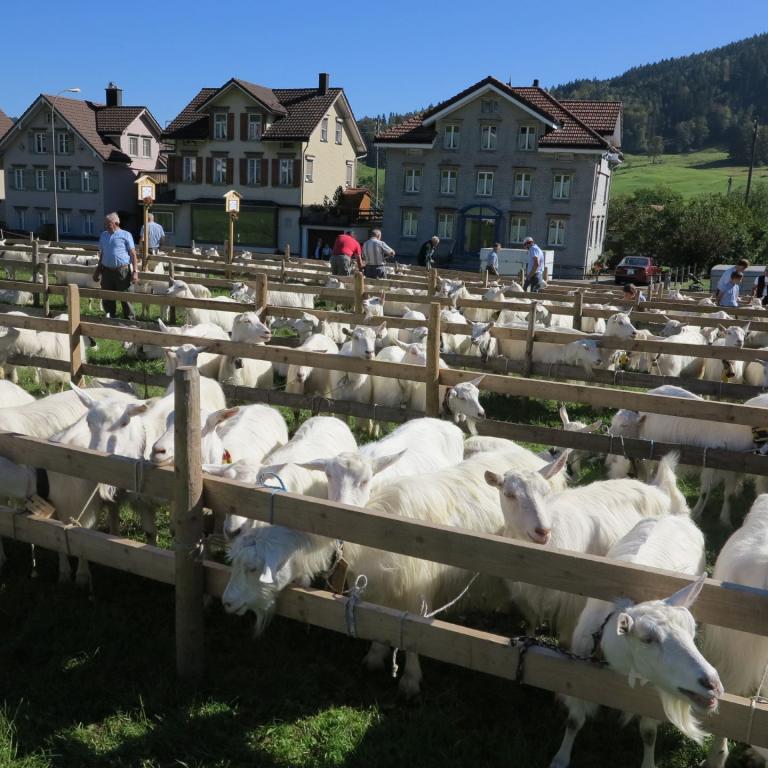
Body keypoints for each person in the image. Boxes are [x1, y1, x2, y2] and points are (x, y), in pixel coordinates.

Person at [93, 212, 138, 320]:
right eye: (105, 223)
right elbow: (102, 254)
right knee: (107, 297)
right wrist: (98, 270)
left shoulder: (126, 235)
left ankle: (130, 322)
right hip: (107, 272)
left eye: (108, 223)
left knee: (126, 297)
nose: (106, 225)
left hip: (122, 271)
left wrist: (135, 272)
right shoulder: (103, 235)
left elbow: (133, 254)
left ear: (116, 223)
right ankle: (110, 320)